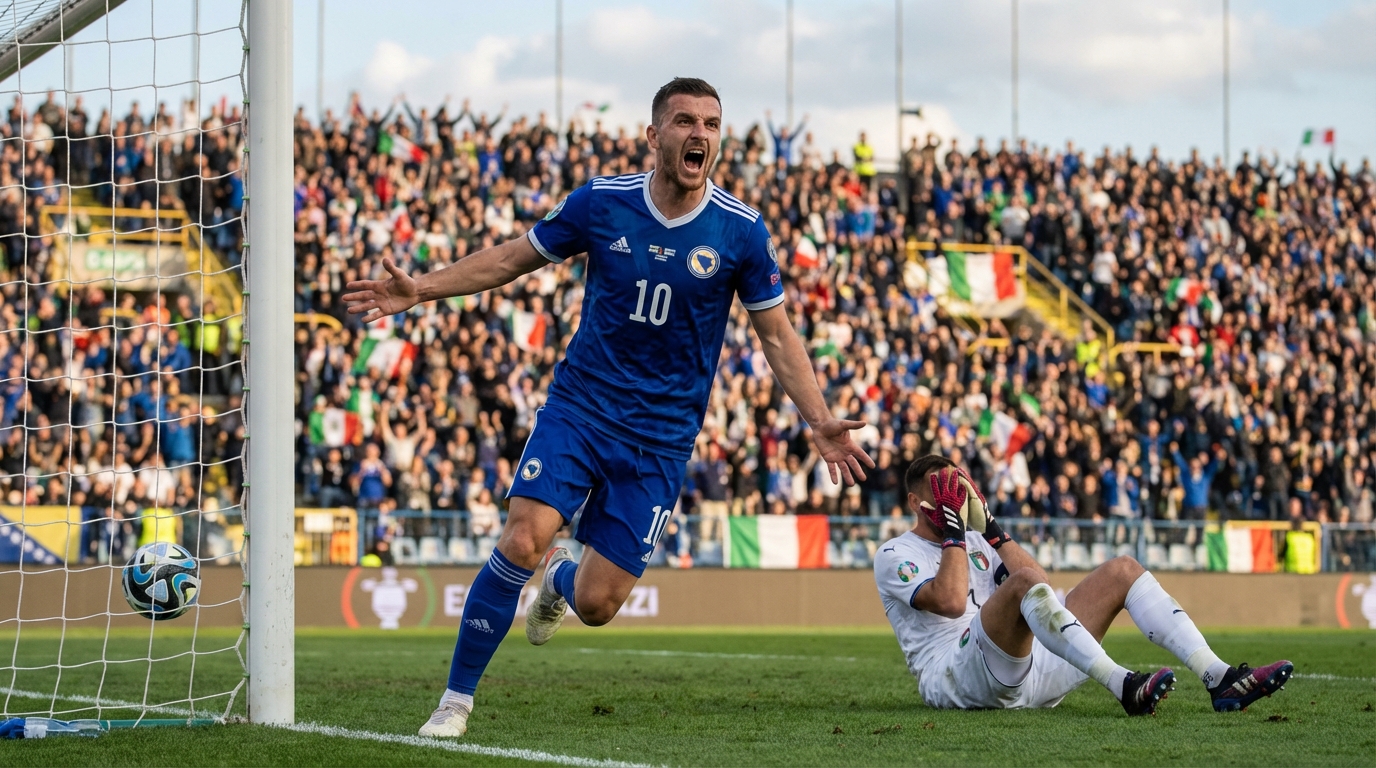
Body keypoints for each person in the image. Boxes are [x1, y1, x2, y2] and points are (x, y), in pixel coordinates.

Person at [344, 77, 874, 738]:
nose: (699, 134)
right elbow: (514, 258)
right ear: (654, 136)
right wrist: (421, 289)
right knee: (521, 538)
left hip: (661, 438)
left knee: (598, 603)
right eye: (684, 121)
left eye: (710, 123)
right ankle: (455, 702)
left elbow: (776, 334)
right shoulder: (602, 202)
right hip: (581, 410)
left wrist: (817, 418)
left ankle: (562, 583)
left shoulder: (740, 232)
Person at [873, 454, 1293, 715]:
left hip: (1028, 672)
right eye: (941, 494)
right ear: (915, 502)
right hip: (955, 677)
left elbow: (1039, 584)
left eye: (957, 491)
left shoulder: (979, 538)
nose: (953, 501)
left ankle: (1218, 678)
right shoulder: (895, 553)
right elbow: (948, 600)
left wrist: (994, 530)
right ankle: (1122, 683)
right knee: (1021, 584)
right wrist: (953, 533)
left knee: (1123, 570)